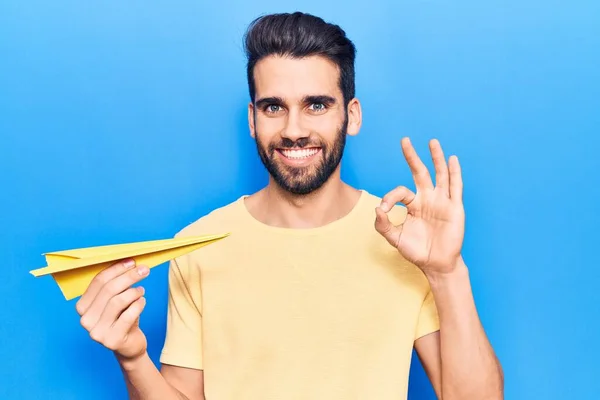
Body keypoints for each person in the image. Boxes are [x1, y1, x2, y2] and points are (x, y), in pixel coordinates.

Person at [75, 11, 504, 400]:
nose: (293, 130)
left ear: (351, 116)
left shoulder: (404, 239)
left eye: (316, 105)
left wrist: (447, 271)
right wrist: (133, 358)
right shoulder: (198, 248)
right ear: (252, 119)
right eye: (274, 107)